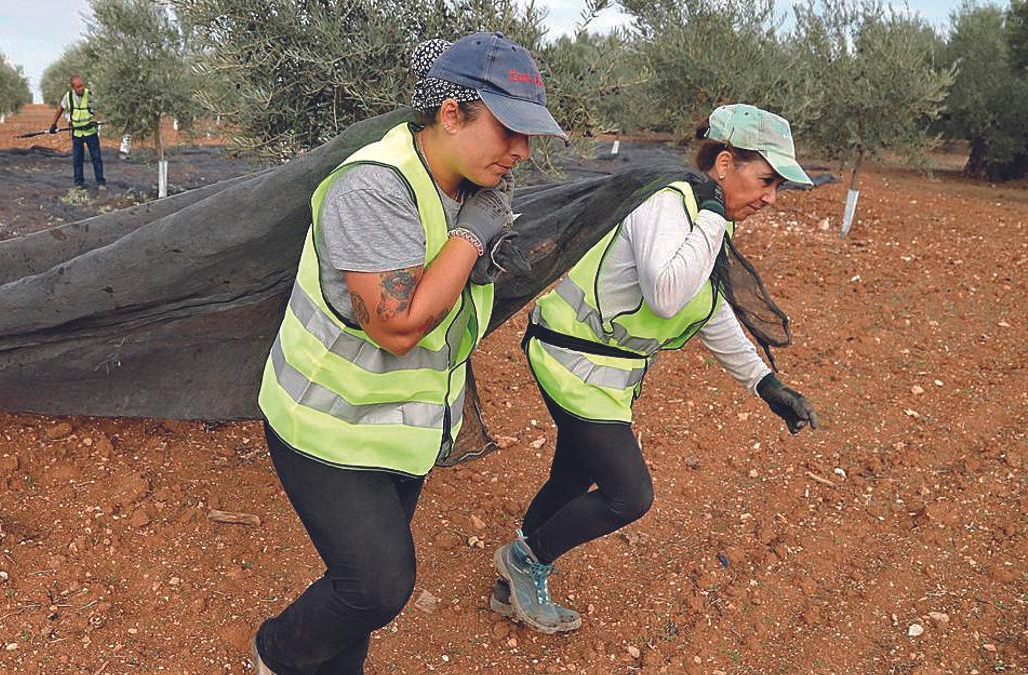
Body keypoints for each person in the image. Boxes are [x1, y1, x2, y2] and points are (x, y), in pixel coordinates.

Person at [253, 32, 565, 674]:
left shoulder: (463, 186)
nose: (522, 152)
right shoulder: (374, 188)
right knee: (377, 586)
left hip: (398, 430)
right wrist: (473, 236)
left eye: (529, 136)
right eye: (509, 130)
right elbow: (397, 329)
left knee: (358, 590)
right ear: (451, 114)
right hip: (324, 424)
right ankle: (276, 653)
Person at [490, 104, 820, 634]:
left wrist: (766, 384)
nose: (771, 198)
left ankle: (514, 583)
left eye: (778, 187)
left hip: (601, 372)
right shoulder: (670, 205)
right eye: (766, 180)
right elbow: (667, 293)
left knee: (573, 474)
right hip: (571, 360)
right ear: (725, 163)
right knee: (629, 495)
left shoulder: (706, 219)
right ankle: (524, 562)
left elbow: (709, 310)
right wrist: (712, 217)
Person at [49, 74, 105, 188]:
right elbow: (60, 109)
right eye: (78, 87)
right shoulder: (68, 97)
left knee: (96, 158)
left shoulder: (89, 94)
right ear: (73, 87)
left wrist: (98, 119)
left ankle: (101, 182)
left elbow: (100, 108)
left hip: (90, 132)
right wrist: (53, 124)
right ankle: (79, 183)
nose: (81, 88)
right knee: (77, 159)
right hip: (77, 133)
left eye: (82, 85)